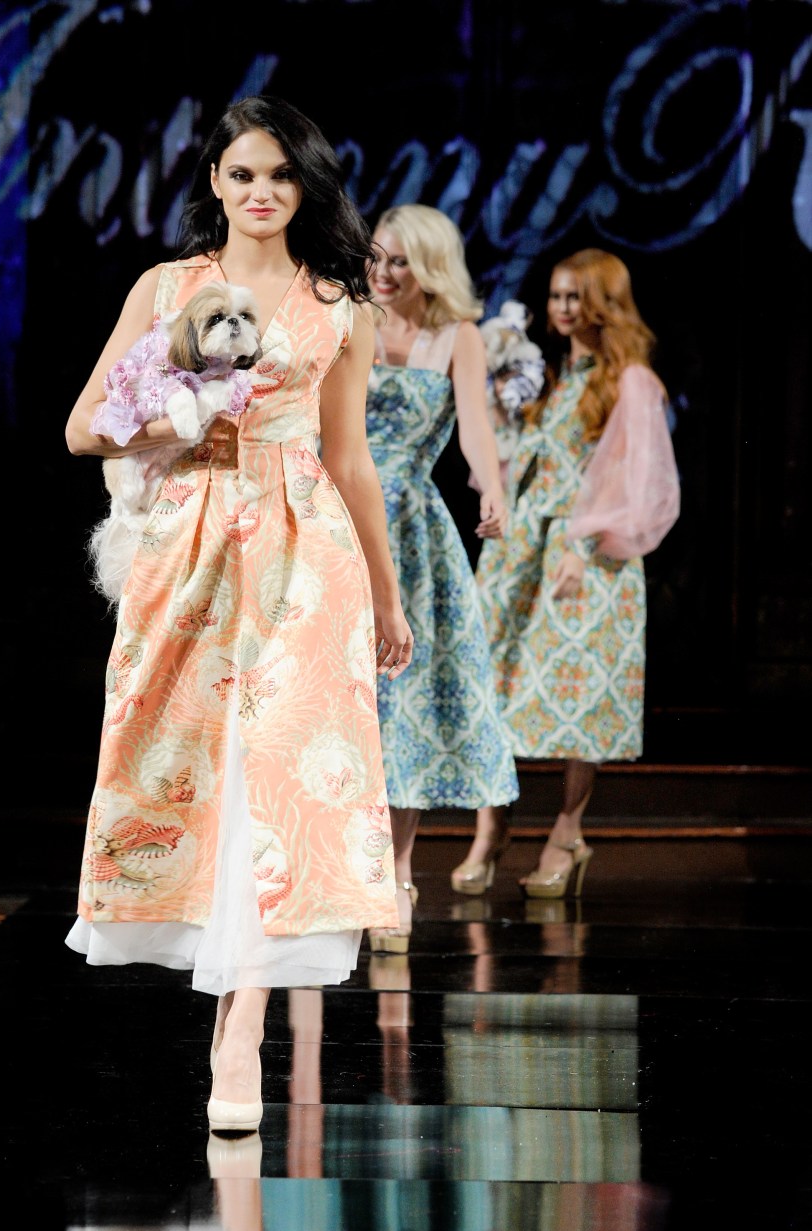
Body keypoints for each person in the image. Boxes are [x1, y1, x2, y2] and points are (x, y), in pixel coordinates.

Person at [63, 95, 413, 1135]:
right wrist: (176, 412)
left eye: (281, 175)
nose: (261, 193)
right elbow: (85, 426)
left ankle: (241, 1036)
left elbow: (349, 458)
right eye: (243, 173)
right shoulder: (170, 287)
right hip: (189, 541)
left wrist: (386, 593)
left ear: (305, 186)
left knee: (284, 776)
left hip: (306, 551)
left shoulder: (338, 301)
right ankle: (223, 1006)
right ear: (214, 181)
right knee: (194, 767)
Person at [458, 247, 680, 899]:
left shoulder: (629, 379)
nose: (561, 308)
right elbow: (511, 460)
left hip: (584, 549)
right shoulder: (550, 375)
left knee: (577, 700)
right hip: (522, 546)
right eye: (555, 296)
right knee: (494, 687)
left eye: (575, 297)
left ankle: (568, 829)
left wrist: (583, 547)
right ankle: (490, 830)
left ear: (604, 303)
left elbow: (633, 479)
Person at [362, 203, 519, 951]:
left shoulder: (457, 337)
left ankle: (397, 872)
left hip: (414, 533)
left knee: (409, 702)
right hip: (340, 521)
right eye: (376, 258)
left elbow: (477, 425)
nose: (383, 274)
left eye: (399, 262)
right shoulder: (350, 319)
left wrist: (491, 485)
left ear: (428, 268)